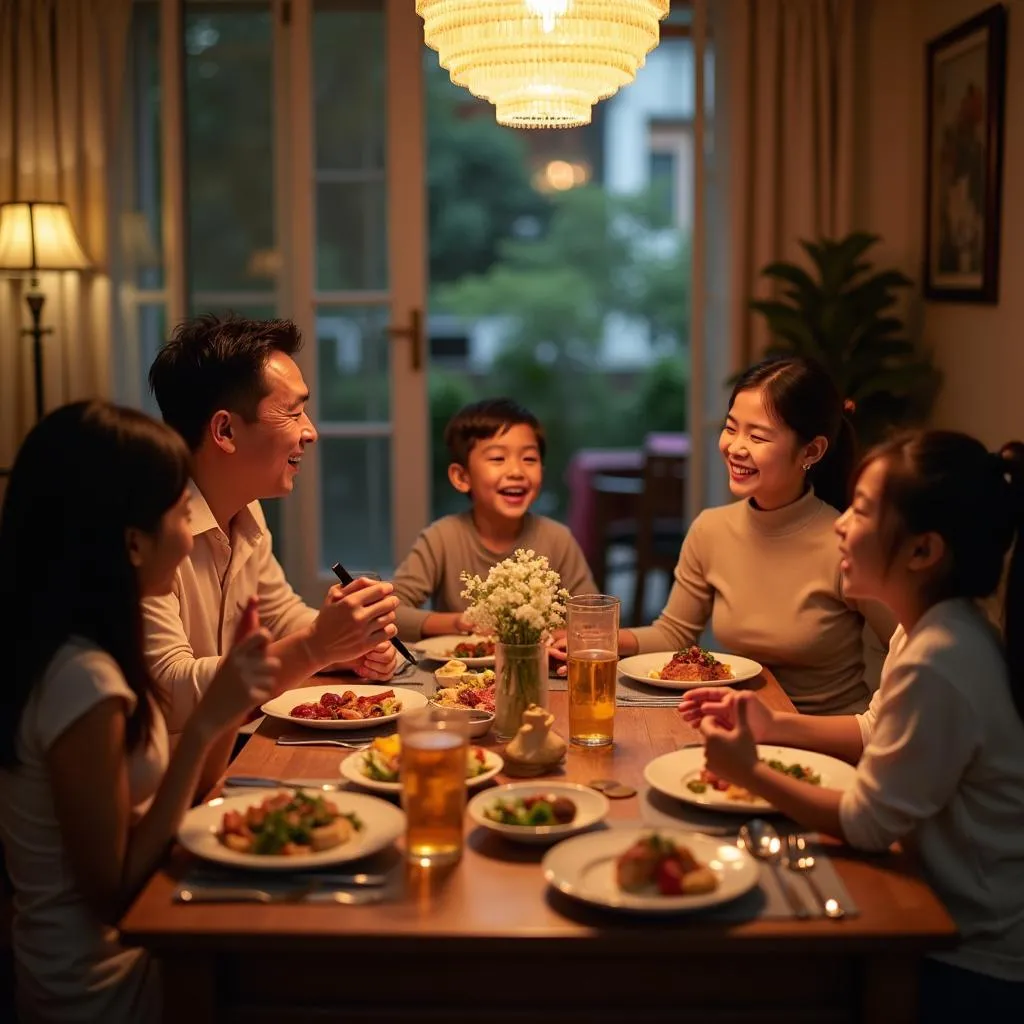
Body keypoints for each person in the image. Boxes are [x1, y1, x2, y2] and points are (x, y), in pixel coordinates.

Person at [685, 430, 1024, 1017]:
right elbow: (876, 728)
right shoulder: (925, 627)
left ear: (922, 551)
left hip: (970, 956)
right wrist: (774, 727)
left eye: (863, 511)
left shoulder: (941, 658)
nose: (840, 525)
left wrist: (749, 771)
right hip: (935, 907)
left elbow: (866, 824)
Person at [0, 401, 280, 1023]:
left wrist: (228, 698)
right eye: (181, 513)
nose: (190, 534)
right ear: (132, 542)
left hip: (153, 933)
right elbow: (113, 893)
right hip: (106, 985)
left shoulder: (101, 648)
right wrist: (208, 720)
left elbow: (190, 793)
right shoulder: (81, 681)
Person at [144, 315, 400, 735]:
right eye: (294, 413)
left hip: (224, 747)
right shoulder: (150, 532)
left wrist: (345, 648)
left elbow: (280, 617)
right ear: (225, 430)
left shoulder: (246, 509)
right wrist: (317, 646)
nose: (311, 432)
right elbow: (169, 691)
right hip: (167, 783)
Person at [619, 356, 894, 715]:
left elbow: (908, 646)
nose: (735, 447)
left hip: (827, 742)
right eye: (731, 428)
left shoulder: (845, 541)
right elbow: (674, 635)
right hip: (743, 731)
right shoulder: (711, 530)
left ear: (811, 451)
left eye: (758, 436)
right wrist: (596, 640)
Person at [393, 398, 597, 640]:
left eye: (529, 459)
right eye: (498, 458)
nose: (516, 472)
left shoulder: (557, 539)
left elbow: (593, 619)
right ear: (461, 477)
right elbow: (391, 611)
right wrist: (459, 623)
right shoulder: (441, 538)